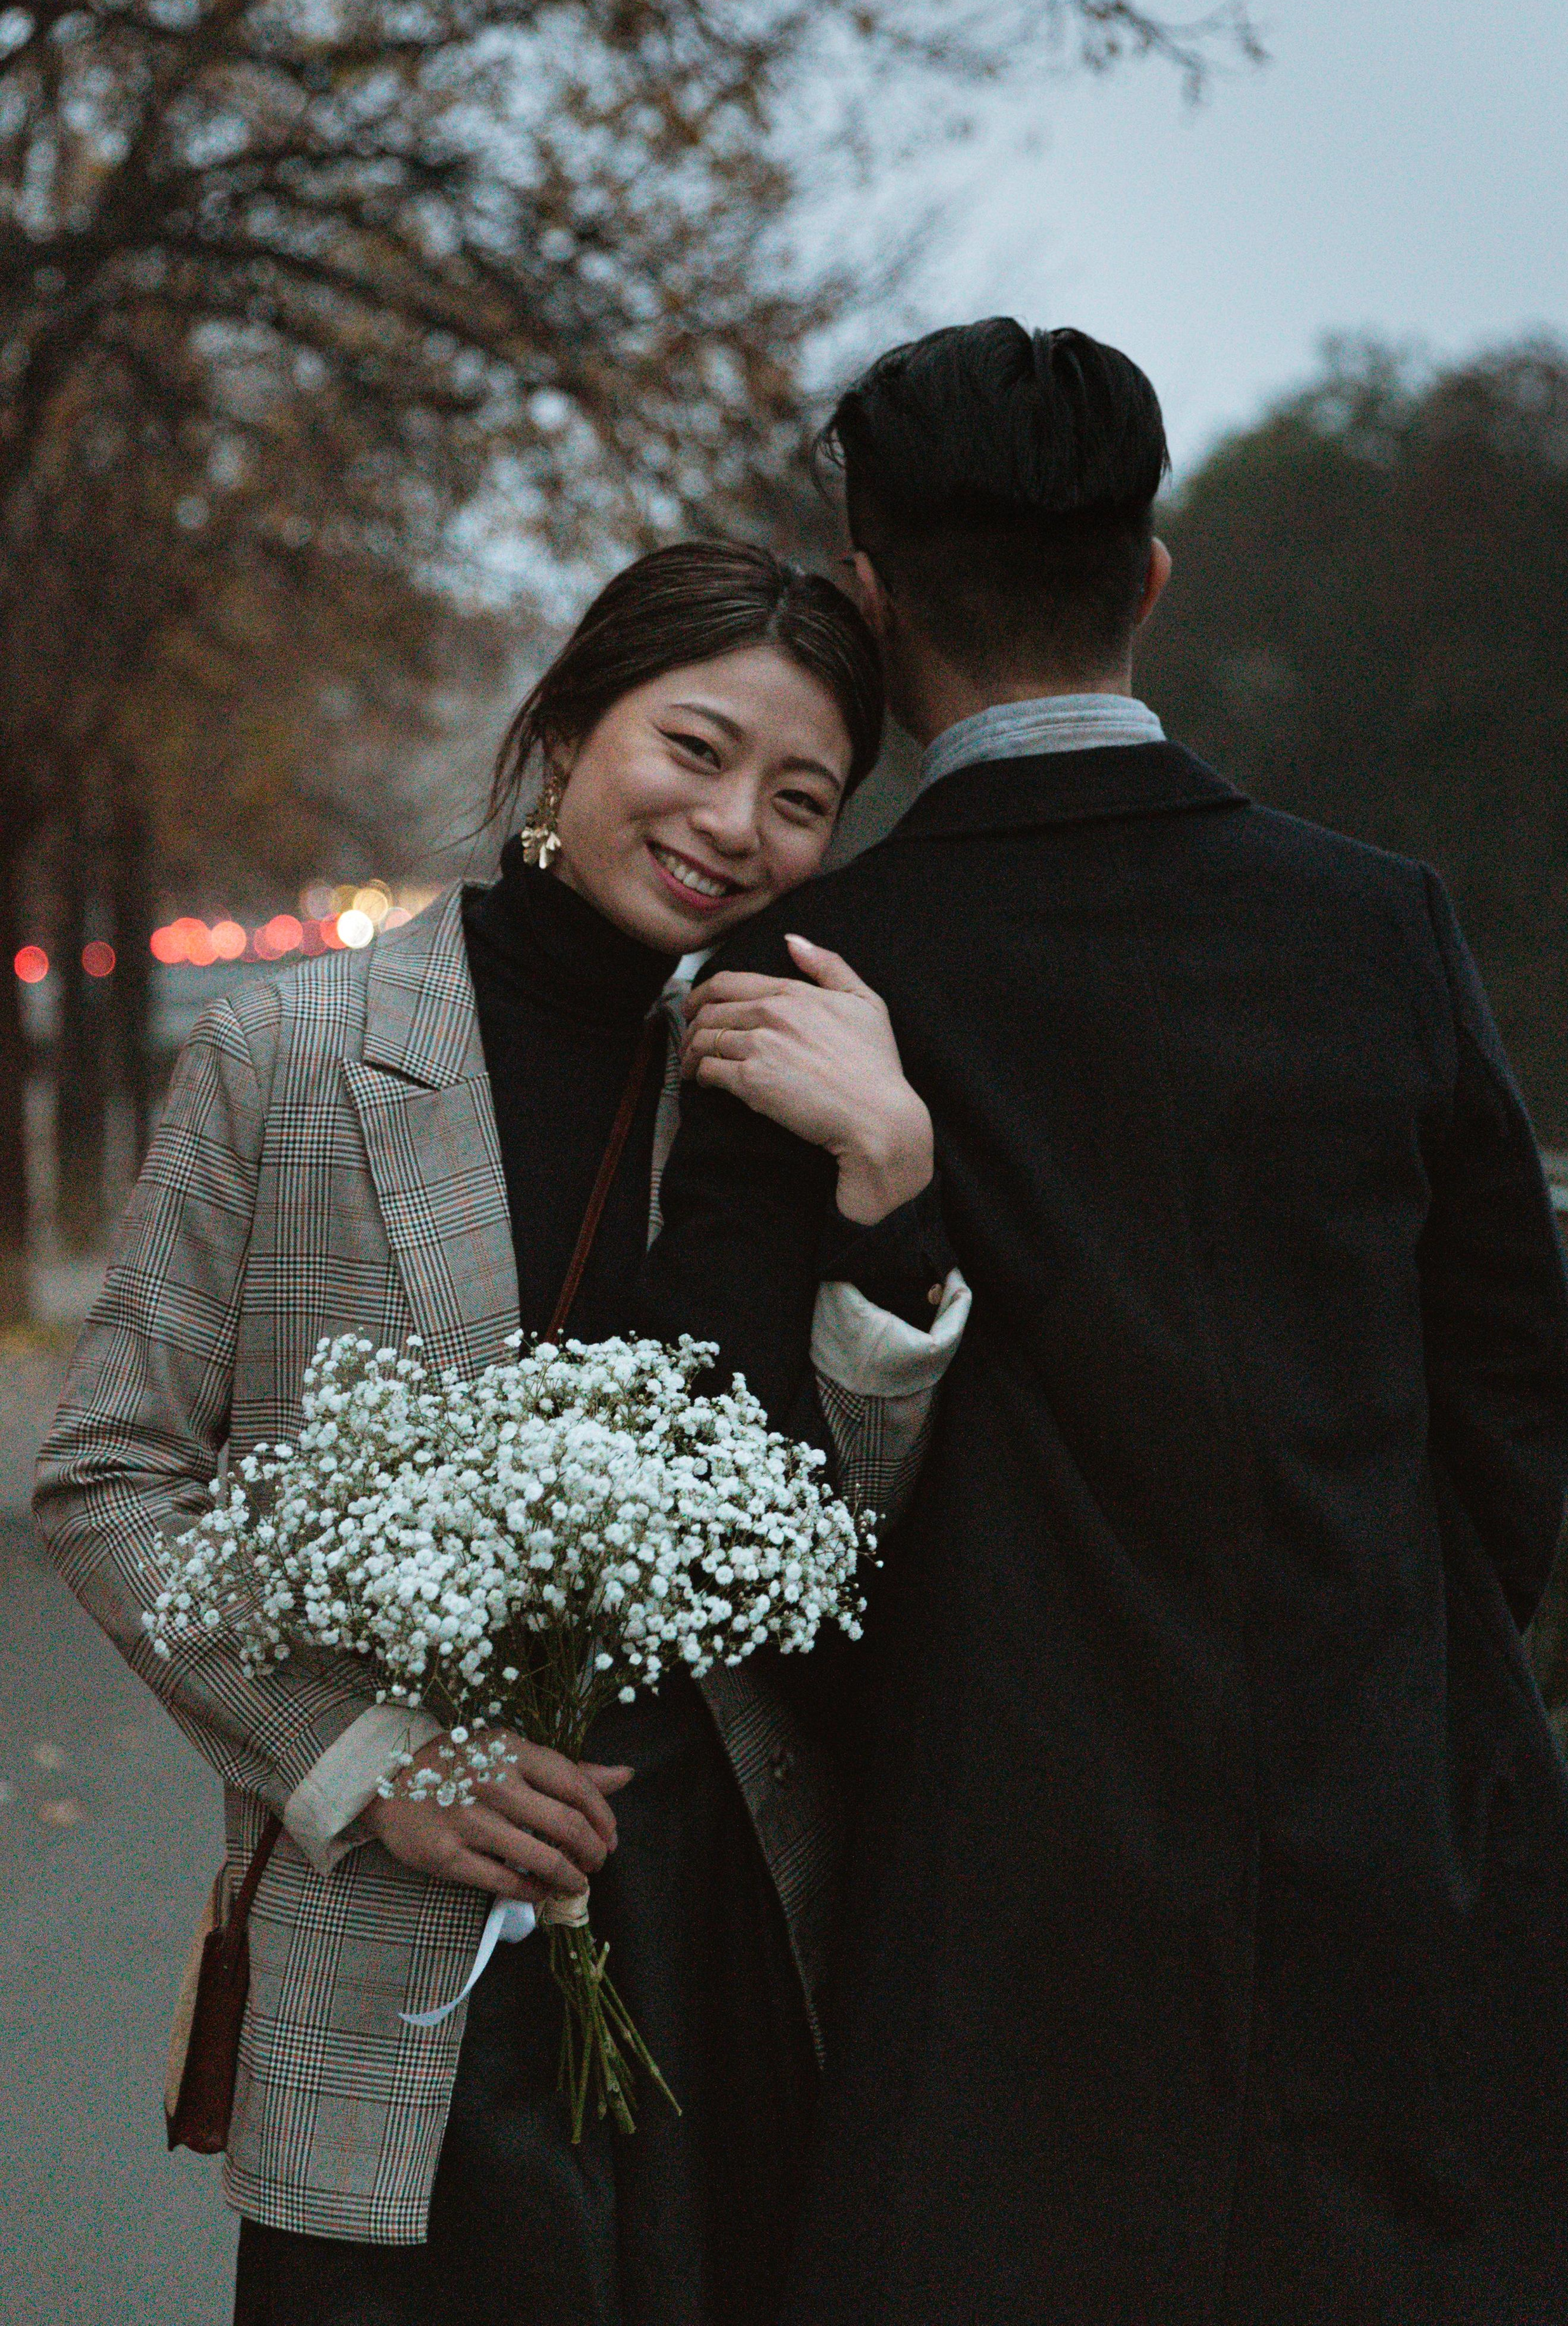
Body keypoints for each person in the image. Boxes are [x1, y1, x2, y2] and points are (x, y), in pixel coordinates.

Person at [644, 323, 1568, 2322]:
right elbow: (1520, 1388)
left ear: (866, 593)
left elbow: (742, 1490)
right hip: (1405, 1860)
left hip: (991, 1922)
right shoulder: (1383, 923)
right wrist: (1397, 1671)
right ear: (1151, 580)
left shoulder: (805, 979)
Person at [34, 541, 968, 2326]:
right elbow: (107, 1479)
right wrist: (368, 1765)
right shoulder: (293, 1052)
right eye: (691, 749)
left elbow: (844, 1532)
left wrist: (893, 1183)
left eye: (800, 797)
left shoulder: (781, 1084)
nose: (732, 825)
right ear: (560, 737)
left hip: (723, 1933)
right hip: (399, 1949)